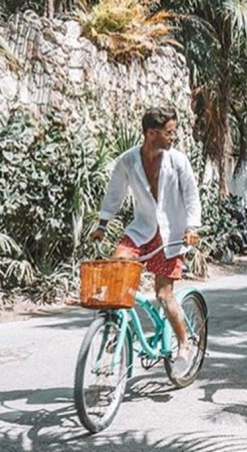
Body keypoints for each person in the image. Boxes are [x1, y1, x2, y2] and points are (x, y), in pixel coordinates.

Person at [89, 107, 202, 376]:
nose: (173, 137)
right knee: (116, 268)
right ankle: (116, 326)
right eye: (169, 132)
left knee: (164, 294)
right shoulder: (128, 161)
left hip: (171, 235)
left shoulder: (178, 161)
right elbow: (114, 195)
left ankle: (184, 346)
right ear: (152, 133)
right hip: (141, 231)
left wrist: (191, 227)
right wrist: (102, 225)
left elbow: (191, 196)